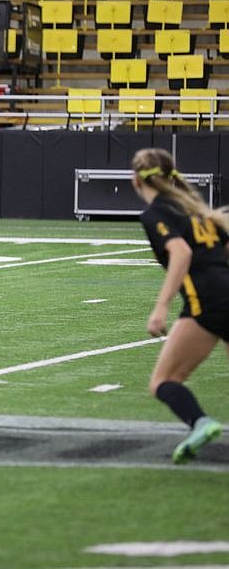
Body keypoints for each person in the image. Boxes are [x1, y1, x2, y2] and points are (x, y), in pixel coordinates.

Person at [131, 147, 227, 464]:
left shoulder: (157, 212)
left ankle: (200, 422)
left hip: (207, 300)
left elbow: (181, 254)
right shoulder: (193, 207)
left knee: (163, 381)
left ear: (136, 180)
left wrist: (160, 307)